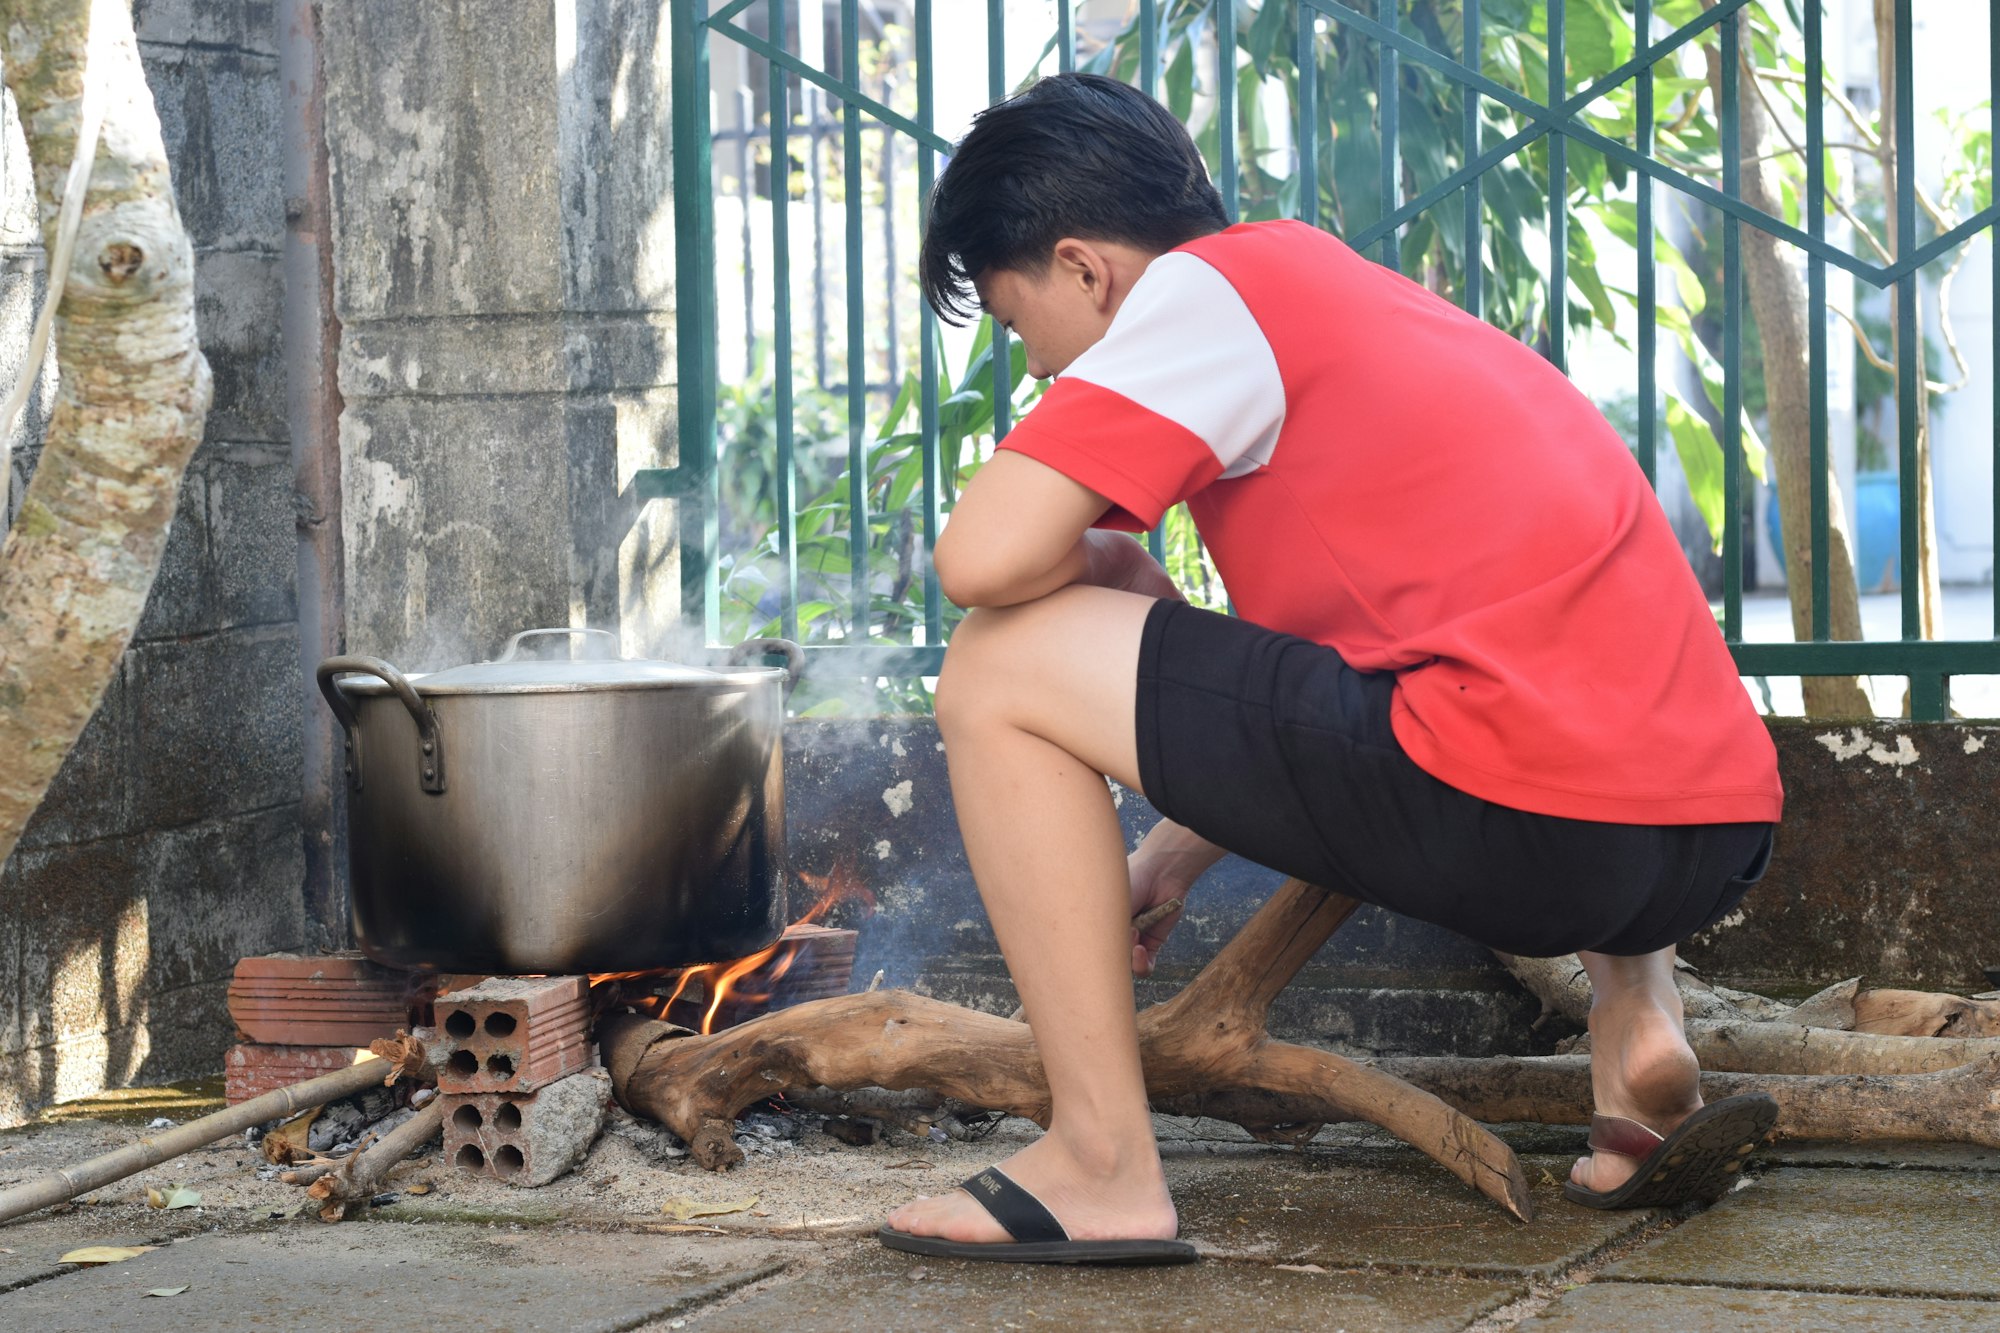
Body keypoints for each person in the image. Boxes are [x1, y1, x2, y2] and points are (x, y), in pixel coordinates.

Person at [878, 72, 1781, 1266]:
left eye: (1017, 324)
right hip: (1706, 833)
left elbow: (977, 559)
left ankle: (1100, 1161)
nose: (1038, 370)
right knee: (1536, 638)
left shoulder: (1192, 301)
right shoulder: (1330, 290)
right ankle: (1639, 1022)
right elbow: (1341, 681)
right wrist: (1168, 849)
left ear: (1085, 267)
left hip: (1531, 817)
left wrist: (1086, 552)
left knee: (998, 661)